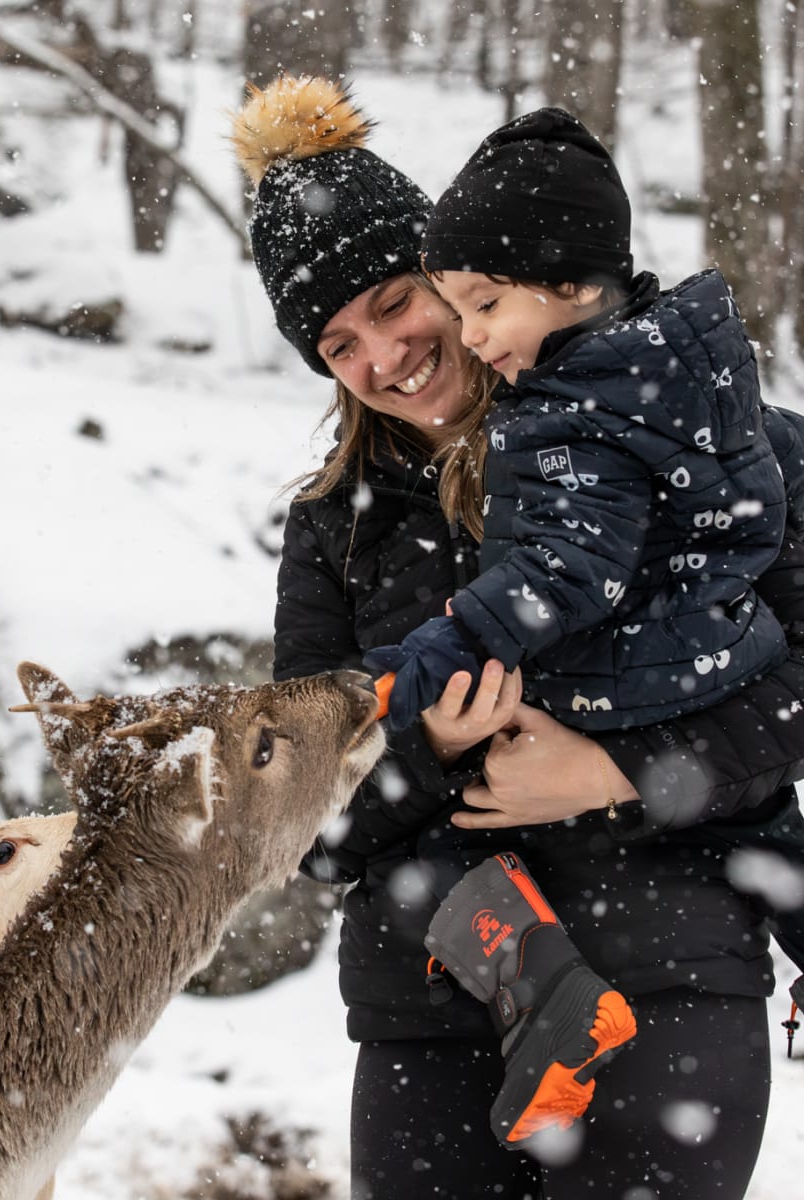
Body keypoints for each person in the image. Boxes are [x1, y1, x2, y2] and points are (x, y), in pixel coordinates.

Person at [232, 73, 804, 1199]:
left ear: (462, 278)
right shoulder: (334, 531)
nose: (383, 357)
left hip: (670, 970)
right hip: (431, 1008)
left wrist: (616, 769)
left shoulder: (716, 445)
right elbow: (301, 815)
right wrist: (430, 755)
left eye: (396, 304)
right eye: (339, 346)